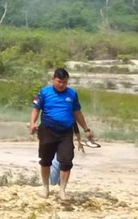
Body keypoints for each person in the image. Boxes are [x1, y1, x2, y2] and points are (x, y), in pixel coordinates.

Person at [29, 68, 93, 199]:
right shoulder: (43, 92)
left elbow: (77, 113)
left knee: (66, 161)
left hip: (65, 132)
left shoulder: (72, 94)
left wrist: (86, 129)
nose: (62, 84)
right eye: (59, 81)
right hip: (47, 130)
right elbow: (36, 110)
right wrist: (32, 124)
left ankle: (62, 190)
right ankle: (45, 188)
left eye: (64, 82)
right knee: (45, 160)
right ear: (53, 79)